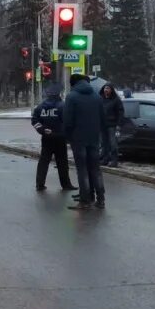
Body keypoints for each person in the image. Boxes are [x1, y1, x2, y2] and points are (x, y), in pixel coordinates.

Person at [63, 73, 106, 209]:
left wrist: (68, 137)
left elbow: (68, 121)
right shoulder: (97, 97)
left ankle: (85, 200)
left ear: (73, 84)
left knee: (82, 170)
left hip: (78, 138)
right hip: (94, 138)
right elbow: (103, 119)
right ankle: (100, 199)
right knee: (95, 169)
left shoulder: (71, 97)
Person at [31, 85, 77, 192]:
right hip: (60, 138)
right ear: (58, 94)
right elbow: (68, 122)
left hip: (47, 138)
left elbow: (34, 121)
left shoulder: (41, 107)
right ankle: (66, 184)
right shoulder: (63, 106)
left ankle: (40, 184)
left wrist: (42, 129)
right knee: (62, 162)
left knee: (44, 161)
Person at [99, 84, 125, 167]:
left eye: (108, 88)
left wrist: (118, 124)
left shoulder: (116, 100)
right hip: (102, 125)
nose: (106, 90)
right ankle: (105, 159)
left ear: (111, 90)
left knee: (112, 143)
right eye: (105, 88)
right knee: (104, 143)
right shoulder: (101, 99)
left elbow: (120, 113)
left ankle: (114, 160)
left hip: (112, 125)